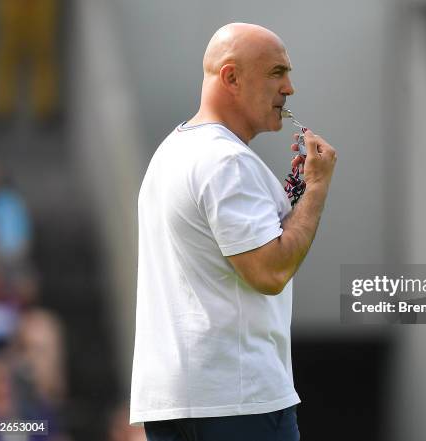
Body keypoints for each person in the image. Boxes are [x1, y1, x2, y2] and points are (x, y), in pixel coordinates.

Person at [129, 23, 337, 441]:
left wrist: (287, 200)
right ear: (231, 77)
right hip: (237, 398)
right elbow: (269, 272)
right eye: (277, 72)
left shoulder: (171, 151)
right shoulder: (227, 161)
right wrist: (315, 190)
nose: (289, 88)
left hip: (172, 402)